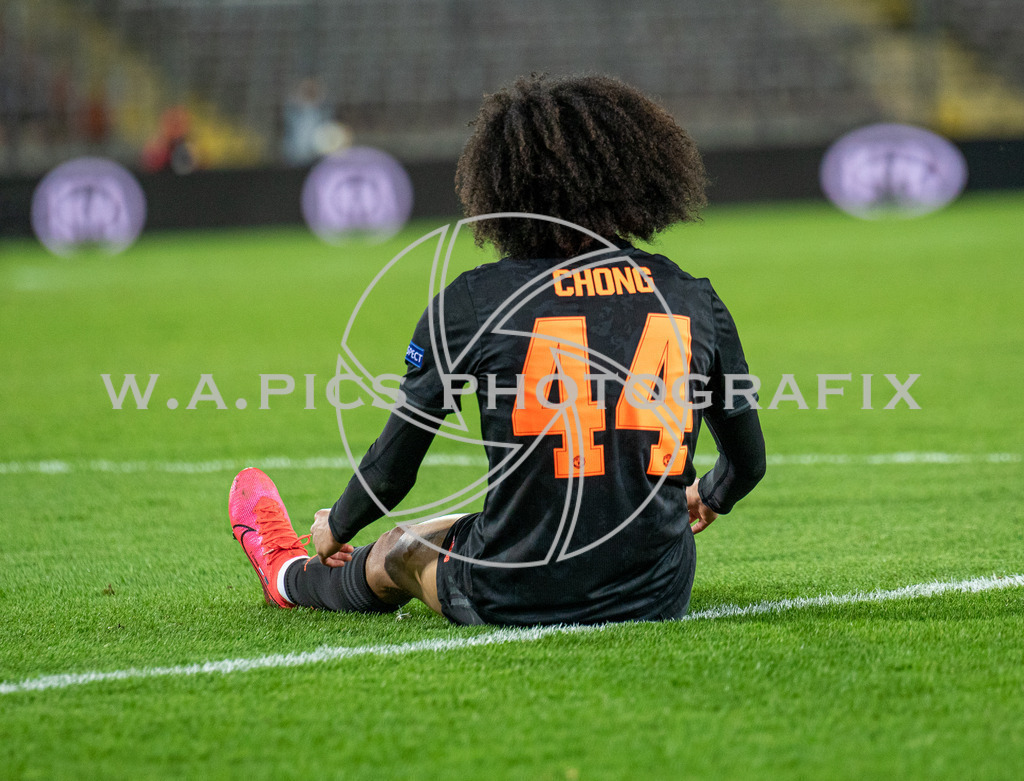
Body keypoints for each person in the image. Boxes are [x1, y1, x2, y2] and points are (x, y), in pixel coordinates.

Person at [230, 74, 766, 626]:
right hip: (657, 594)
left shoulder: (471, 300)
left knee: (402, 544)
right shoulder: (691, 296)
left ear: (505, 188)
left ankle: (288, 573)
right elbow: (749, 462)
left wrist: (336, 527)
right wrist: (711, 493)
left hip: (516, 596)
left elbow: (392, 471)